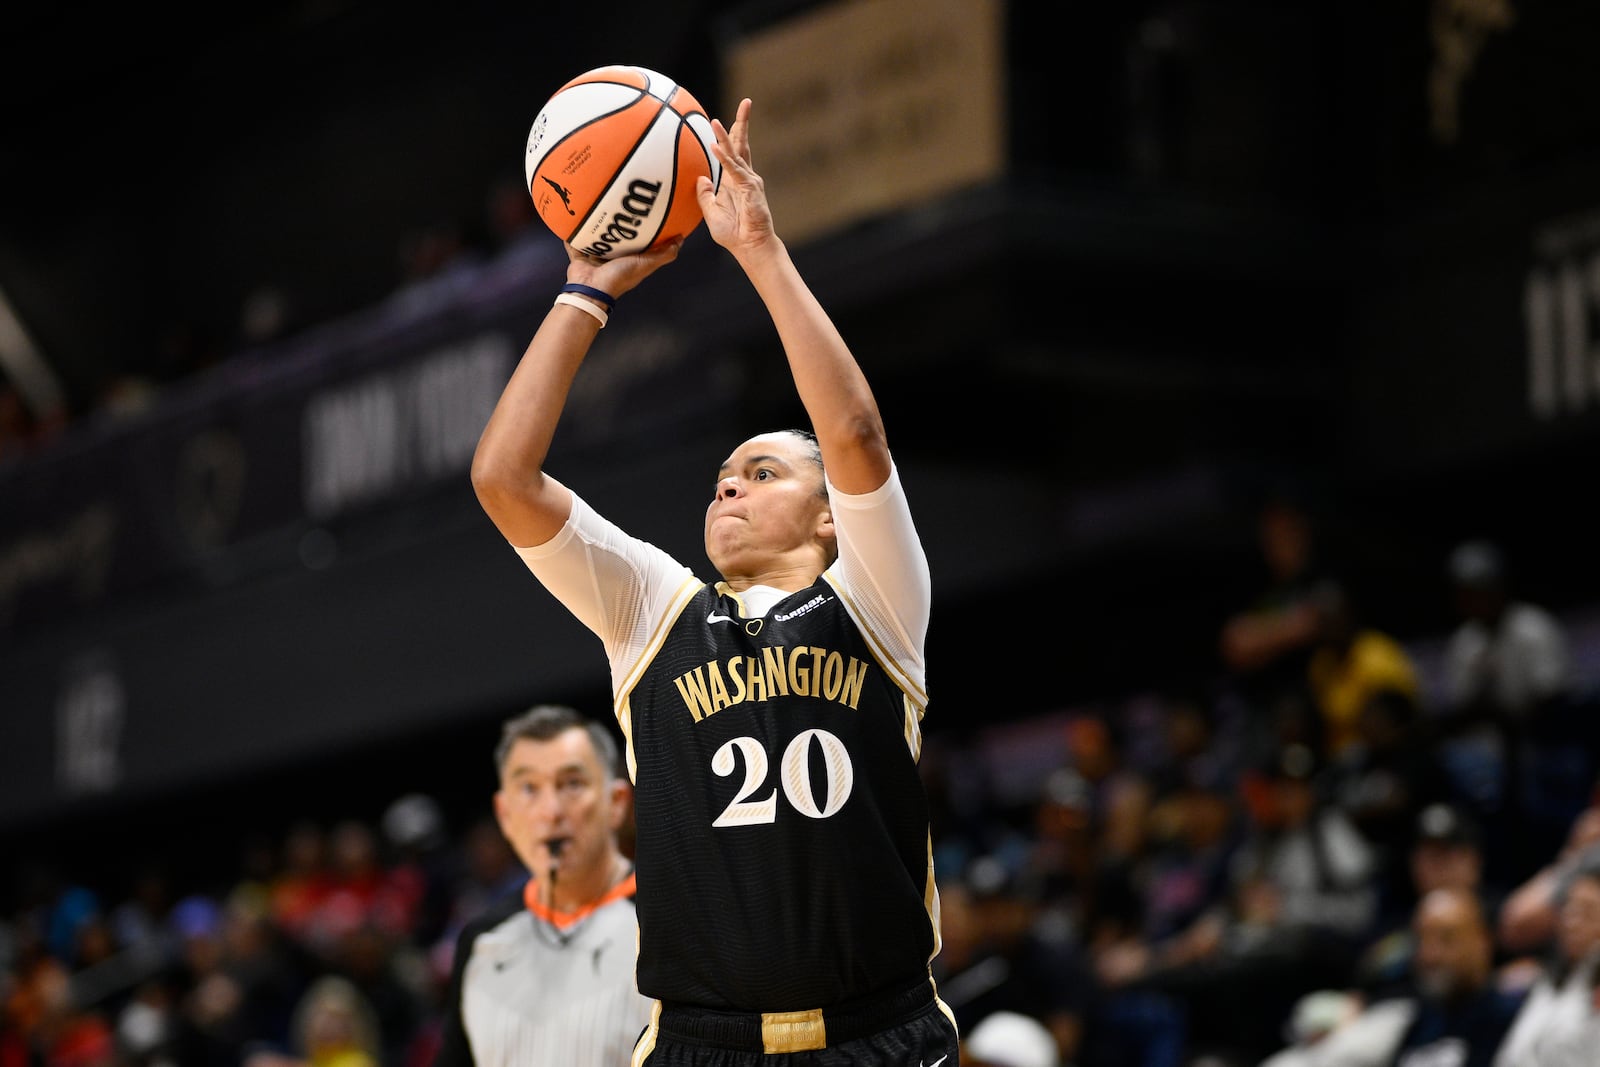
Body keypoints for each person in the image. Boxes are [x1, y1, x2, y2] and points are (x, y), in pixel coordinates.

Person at [469, 98, 958, 1066]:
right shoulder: (655, 609)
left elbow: (855, 437)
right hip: (703, 1045)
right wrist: (583, 291)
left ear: (830, 517)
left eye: (764, 471)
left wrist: (759, 249)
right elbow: (502, 479)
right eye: (722, 476)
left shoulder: (875, 602)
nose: (730, 482)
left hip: (881, 1034)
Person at [430, 705, 648, 1067]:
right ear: (505, 815)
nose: (550, 811)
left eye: (572, 784)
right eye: (528, 788)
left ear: (617, 802)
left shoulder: (678, 921)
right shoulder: (483, 940)